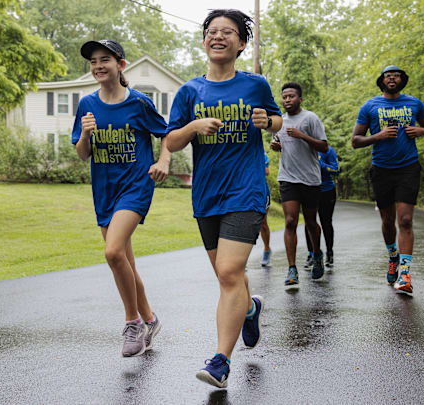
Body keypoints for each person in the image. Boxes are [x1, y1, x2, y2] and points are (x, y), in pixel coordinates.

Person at [165, 9, 282, 388]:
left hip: (245, 190)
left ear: (241, 43)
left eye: (227, 32)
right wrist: (193, 126)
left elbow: (277, 119)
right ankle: (249, 308)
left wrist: (269, 122)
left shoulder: (255, 85)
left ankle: (220, 361)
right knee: (225, 275)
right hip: (207, 193)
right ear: (204, 41)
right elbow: (170, 141)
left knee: (230, 272)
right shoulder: (189, 91)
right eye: (212, 32)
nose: (218, 37)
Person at [72, 39, 171, 356]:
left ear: (121, 65)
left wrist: (162, 161)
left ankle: (133, 322)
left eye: (105, 60)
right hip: (105, 191)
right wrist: (86, 134)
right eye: (93, 62)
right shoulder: (87, 104)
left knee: (113, 252)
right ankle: (151, 319)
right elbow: (82, 154)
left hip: (135, 186)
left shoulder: (139, 103)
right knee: (125, 262)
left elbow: (166, 134)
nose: (98, 66)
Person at [351, 65, 424, 295]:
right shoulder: (370, 106)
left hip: (408, 168)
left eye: (396, 75)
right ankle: (393, 257)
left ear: (402, 80)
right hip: (382, 170)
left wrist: (421, 131)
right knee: (388, 222)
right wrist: (378, 136)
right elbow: (355, 140)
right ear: (382, 81)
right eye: (388, 75)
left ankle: (405, 274)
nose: (392, 78)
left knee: (406, 220)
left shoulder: (414, 104)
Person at [270, 82, 329, 284]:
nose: (287, 100)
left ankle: (317, 254)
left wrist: (302, 135)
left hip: (310, 179)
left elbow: (324, 147)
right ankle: (292, 269)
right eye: (284, 96)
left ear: (300, 99)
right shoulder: (279, 122)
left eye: (291, 96)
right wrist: (275, 145)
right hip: (288, 178)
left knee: (311, 222)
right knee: (290, 221)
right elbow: (279, 143)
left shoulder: (310, 118)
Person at [303, 146, 340, 267]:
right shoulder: (304, 149)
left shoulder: (328, 150)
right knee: (309, 222)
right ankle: (312, 254)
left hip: (326, 191)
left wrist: (320, 164)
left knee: (326, 222)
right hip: (308, 189)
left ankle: (329, 253)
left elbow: (336, 170)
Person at [260, 152, 272, 266]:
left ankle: (267, 249)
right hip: (244, 191)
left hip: (261, 191)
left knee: (262, 222)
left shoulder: (261, 153)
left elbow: (267, 171)